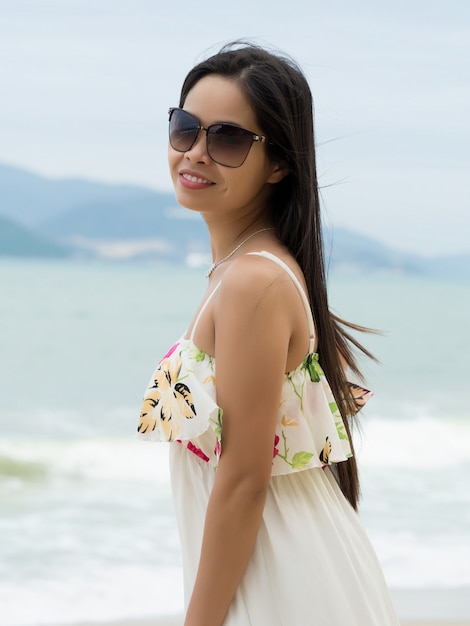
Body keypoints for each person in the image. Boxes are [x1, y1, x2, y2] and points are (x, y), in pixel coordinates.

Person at [138, 42, 400, 626]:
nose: (196, 153)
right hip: (272, 571)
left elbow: (243, 482)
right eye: (186, 128)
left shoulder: (253, 281)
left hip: (283, 581)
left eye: (227, 139)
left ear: (279, 164)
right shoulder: (243, 272)